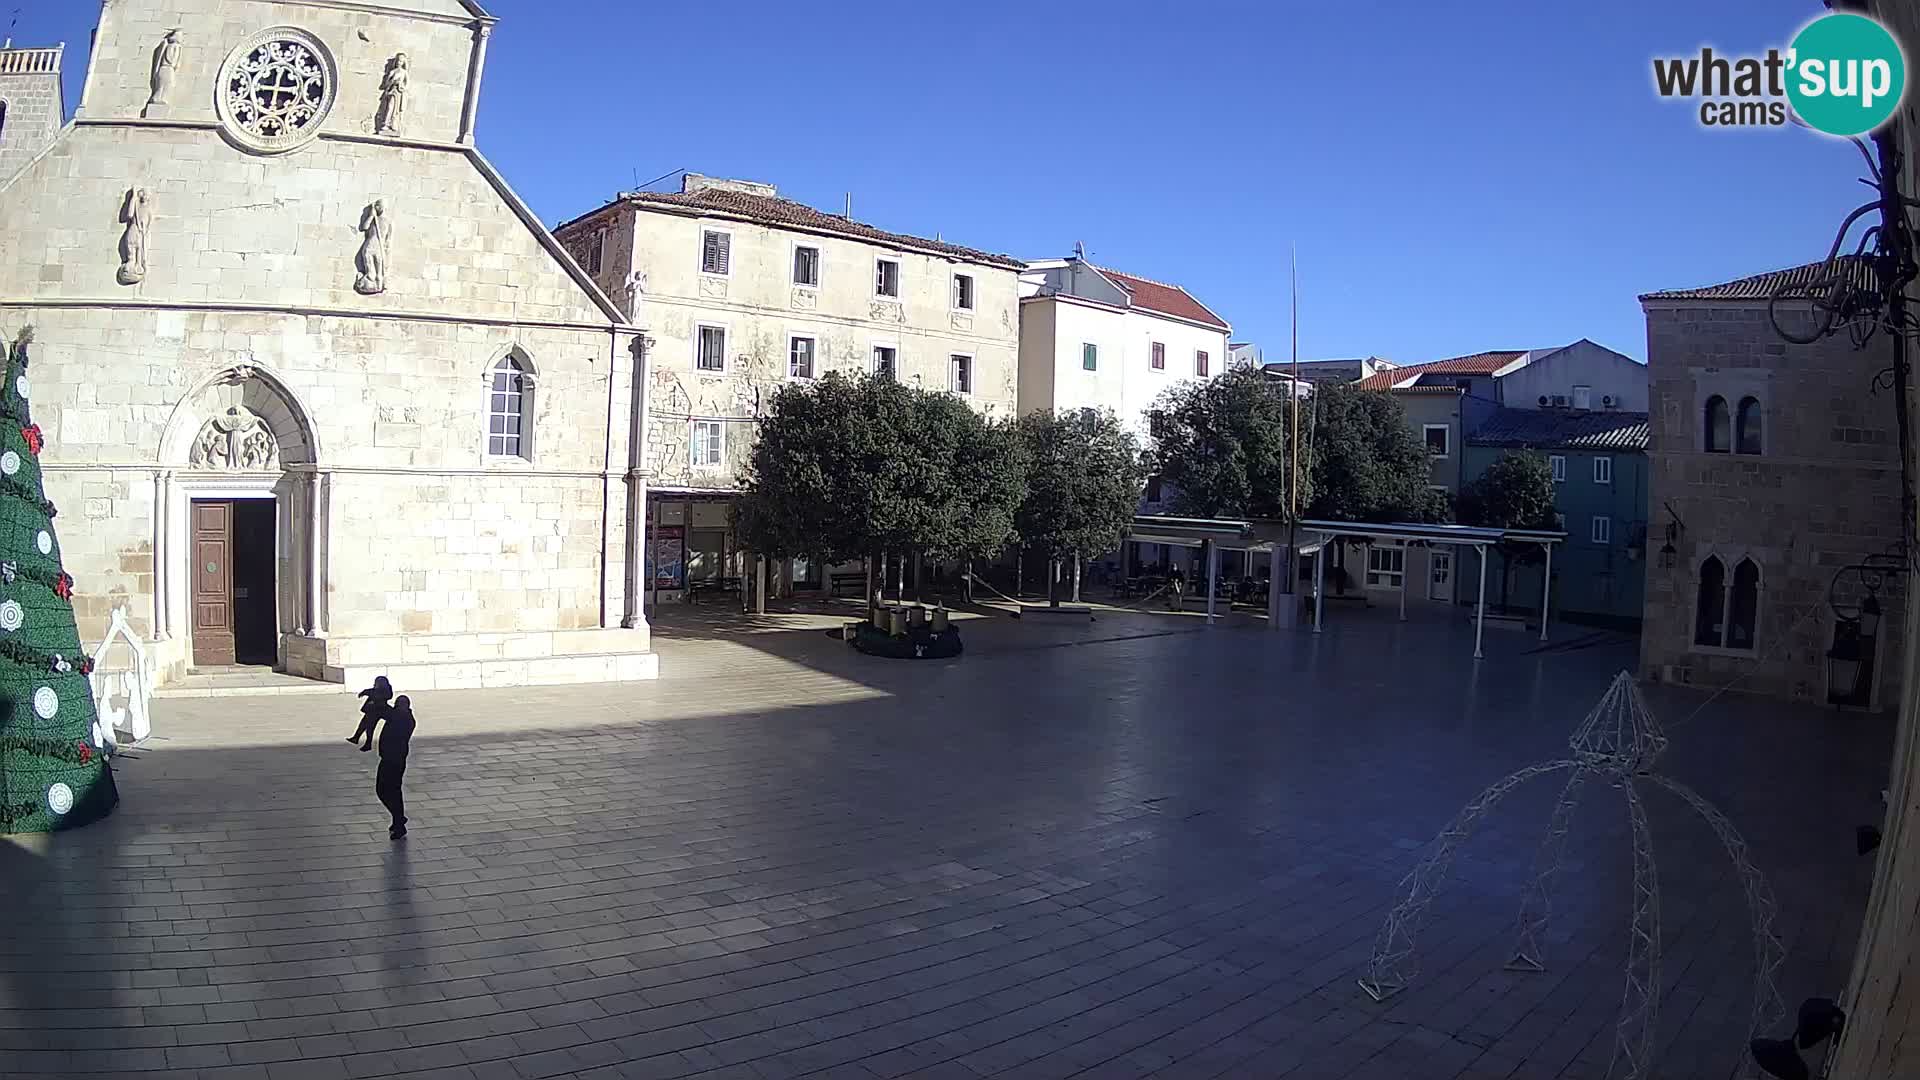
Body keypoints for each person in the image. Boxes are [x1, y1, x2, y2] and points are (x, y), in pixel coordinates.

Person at [376, 695, 416, 839]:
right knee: (394, 791)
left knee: (382, 790)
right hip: (394, 759)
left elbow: (382, 710)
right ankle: (398, 820)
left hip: (392, 760)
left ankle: (398, 819)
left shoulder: (403, 719)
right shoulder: (403, 717)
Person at [347, 675, 392, 751]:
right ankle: (356, 738)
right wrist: (364, 692)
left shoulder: (384, 691)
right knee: (362, 724)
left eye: (376, 683)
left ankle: (367, 744)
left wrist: (368, 695)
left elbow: (378, 695)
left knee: (369, 728)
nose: (375, 684)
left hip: (376, 712)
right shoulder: (377, 690)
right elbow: (371, 691)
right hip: (371, 711)